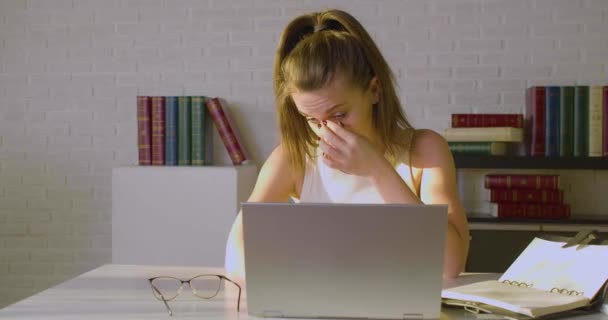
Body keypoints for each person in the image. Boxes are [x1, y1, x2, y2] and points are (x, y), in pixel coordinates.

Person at [225, 9, 469, 284]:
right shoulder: (293, 157)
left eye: (339, 115)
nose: (327, 130)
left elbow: (450, 265)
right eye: (311, 120)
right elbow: (236, 256)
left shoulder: (424, 151)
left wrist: (377, 170)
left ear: (374, 91)